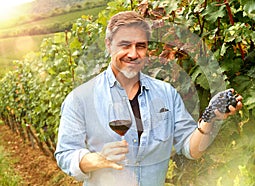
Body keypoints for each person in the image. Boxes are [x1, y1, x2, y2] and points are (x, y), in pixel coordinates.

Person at [54, 11, 243, 186]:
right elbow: (65, 154)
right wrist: (97, 159)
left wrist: (210, 116)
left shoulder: (166, 94)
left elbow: (191, 149)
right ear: (108, 45)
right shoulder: (80, 99)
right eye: (125, 45)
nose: (133, 54)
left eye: (140, 46)